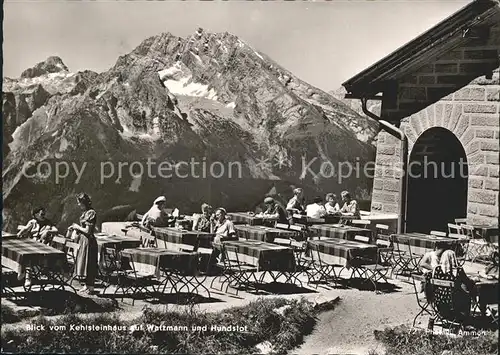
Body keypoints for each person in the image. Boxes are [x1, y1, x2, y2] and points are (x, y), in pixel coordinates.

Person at [425, 250, 480, 322]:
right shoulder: (458, 270)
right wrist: (474, 280)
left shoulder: (437, 269)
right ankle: (466, 320)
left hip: (438, 299)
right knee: (468, 294)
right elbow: (467, 282)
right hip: (454, 300)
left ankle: (444, 315)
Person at [67, 193, 98, 295]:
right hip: (83, 240)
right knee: (84, 262)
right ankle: (86, 285)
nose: (78, 205)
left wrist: (77, 227)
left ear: (83, 203)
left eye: (79, 203)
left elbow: (88, 231)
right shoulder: (85, 213)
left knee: (89, 263)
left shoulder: (91, 213)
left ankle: (91, 287)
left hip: (88, 241)